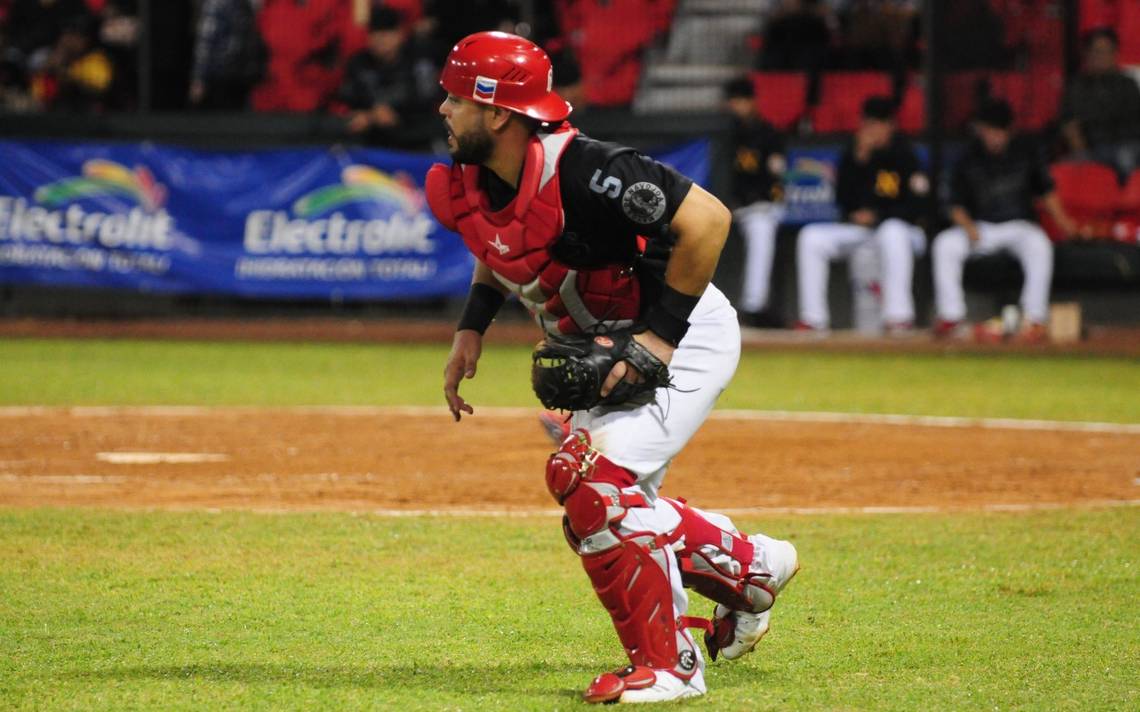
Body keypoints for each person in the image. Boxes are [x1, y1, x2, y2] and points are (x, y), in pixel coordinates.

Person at [429, 31, 799, 704]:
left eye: (456, 97)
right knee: (591, 509)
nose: (443, 110)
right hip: (606, 349)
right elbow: (495, 235)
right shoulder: (466, 181)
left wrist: (657, 341)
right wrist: (472, 326)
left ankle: (672, 667)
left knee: (592, 484)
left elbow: (709, 222)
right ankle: (751, 570)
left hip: (680, 334)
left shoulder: (587, 169)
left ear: (498, 112)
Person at [931, 98, 1076, 343]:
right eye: (988, 130)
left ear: (1009, 130)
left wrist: (1065, 223)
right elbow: (952, 202)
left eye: (999, 131)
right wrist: (967, 226)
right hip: (980, 228)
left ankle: (1034, 318)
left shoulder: (1026, 152)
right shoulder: (967, 157)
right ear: (980, 130)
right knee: (945, 244)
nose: (993, 137)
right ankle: (951, 316)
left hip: (1018, 225)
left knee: (1039, 244)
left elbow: (1046, 191)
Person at [796, 95, 927, 333]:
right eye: (868, 124)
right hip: (865, 232)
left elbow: (918, 206)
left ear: (891, 125)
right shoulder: (855, 153)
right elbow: (842, 201)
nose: (872, 131)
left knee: (892, 230)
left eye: (878, 124)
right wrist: (860, 161)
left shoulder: (906, 154)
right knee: (811, 237)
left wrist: (878, 216)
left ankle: (898, 316)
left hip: (905, 234)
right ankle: (813, 318)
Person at [724, 77, 787, 328]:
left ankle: (753, 306)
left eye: (741, 101)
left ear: (752, 102)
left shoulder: (768, 134)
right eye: (733, 101)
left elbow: (775, 176)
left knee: (761, 228)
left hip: (761, 206)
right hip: (731, 207)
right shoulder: (727, 132)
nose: (736, 106)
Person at [1059, 28, 1140, 178]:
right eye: (1096, 51)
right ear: (1086, 54)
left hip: (1127, 145)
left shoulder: (1127, 84)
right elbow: (1069, 124)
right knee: (1060, 170)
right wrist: (1081, 151)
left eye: (1107, 51)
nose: (1101, 57)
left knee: (1125, 156)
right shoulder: (1077, 87)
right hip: (1093, 149)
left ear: (1115, 54)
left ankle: (1128, 199)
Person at [337, 7, 423, 135]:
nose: (379, 40)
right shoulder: (358, 64)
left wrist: (399, 117)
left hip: (415, 139)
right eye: (374, 34)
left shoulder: (418, 62)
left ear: (400, 35)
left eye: (385, 34)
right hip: (368, 138)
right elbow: (346, 102)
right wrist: (371, 116)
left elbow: (428, 108)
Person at [188, 0, 265, 110]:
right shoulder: (217, 4)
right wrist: (198, 78)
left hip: (243, 75)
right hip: (220, 74)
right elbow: (205, 43)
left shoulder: (246, 5)